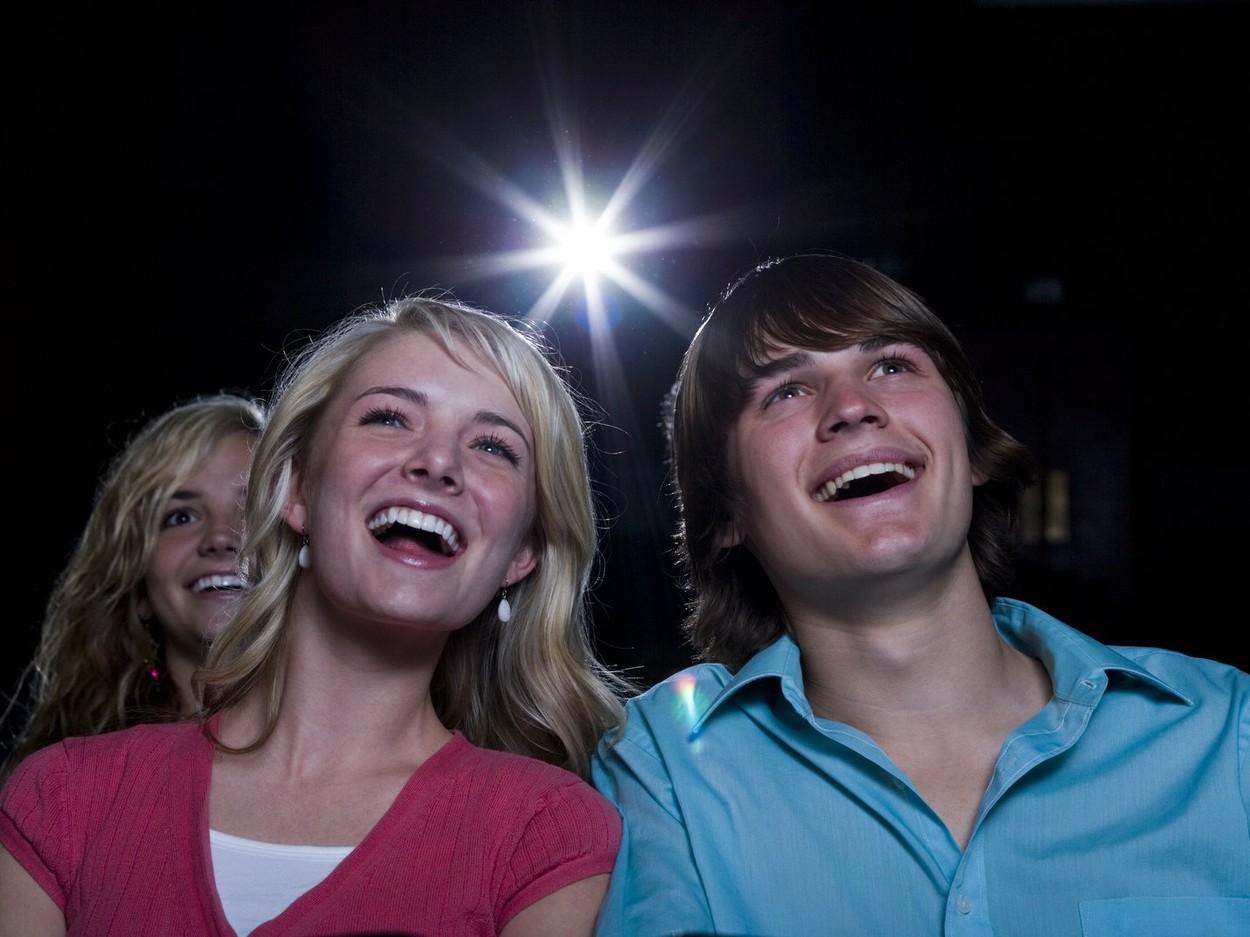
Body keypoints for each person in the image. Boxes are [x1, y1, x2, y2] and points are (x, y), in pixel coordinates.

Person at [590, 251, 1250, 936]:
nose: (852, 407)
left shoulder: (1230, 733)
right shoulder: (664, 771)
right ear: (725, 513)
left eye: (892, 365)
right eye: (785, 390)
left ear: (975, 448)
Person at [1, 294, 633, 936]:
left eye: (495, 447)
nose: (438, 463)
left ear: (521, 553)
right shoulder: (62, 801)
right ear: (295, 488)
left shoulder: (551, 834)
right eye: (389, 417)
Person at [0, 392, 264, 781]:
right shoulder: (63, 780)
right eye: (181, 516)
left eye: (252, 509)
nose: (220, 537)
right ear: (139, 588)